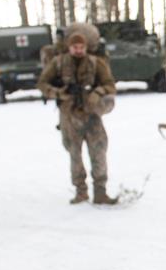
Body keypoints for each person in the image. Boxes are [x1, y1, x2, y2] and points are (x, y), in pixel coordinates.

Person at [37, 30, 118, 205]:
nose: (79, 50)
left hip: (92, 115)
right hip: (69, 116)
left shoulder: (96, 64)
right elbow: (42, 83)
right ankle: (80, 191)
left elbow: (110, 85)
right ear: (69, 47)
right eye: (75, 47)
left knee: (99, 152)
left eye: (82, 47)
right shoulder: (58, 63)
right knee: (74, 154)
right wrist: (59, 93)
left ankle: (100, 192)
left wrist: (98, 92)